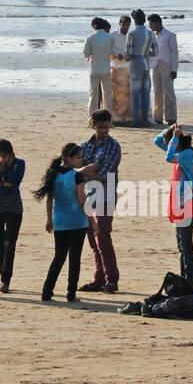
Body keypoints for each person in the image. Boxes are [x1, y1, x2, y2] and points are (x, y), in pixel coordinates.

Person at [33, 143, 97, 302]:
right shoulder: (77, 175)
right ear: (68, 158)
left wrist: (49, 218)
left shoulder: (54, 174)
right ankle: (71, 293)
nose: (80, 161)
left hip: (60, 221)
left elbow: (49, 200)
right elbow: (82, 202)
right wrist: (93, 222)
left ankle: (46, 291)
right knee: (74, 258)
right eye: (78, 158)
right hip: (77, 221)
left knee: (59, 257)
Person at [79, 109, 121, 293]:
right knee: (92, 240)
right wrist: (89, 170)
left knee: (102, 236)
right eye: (101, 127)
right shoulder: (84, 146)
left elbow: (103, 174)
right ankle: (99, 278)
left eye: (107, 127)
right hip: (88, 195)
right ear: (93, 125)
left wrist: (84, 171)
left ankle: (111, 279)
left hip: (106, 195)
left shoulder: (113, 146)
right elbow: (79, 168)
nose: (104, 131)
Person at [154, 123, 193, 286]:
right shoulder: (179, 151)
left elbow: (168, 157)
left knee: (186, 246)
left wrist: (175, 137)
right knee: (181, 246)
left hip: (186, 202)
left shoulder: (187, 153)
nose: (168, 146)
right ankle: (185, 279)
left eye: (172, 142)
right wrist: (169, 130)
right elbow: (157, 141)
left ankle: (190, 282)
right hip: (178, 202)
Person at [0, 139, 25, 293]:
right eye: (0, 154)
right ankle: (3, 275)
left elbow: (15, 182)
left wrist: (5, 169)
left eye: (5, 154)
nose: (2, 157)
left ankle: (5, 280)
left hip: (14, 207)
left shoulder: (19, 163)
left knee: (10, 245)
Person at [125, 8, 157, 128]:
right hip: (146, 62)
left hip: (136, 62)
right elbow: (156, 51)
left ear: (134, 20)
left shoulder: (132, 33)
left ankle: (137, 120)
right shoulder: (150, 33)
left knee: (135, 92)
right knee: (145, 91)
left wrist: (127, 57)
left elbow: (129, 52)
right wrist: (147, 54)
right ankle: (145, 119)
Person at [148, 13, 179, 125]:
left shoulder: (169, 35)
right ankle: (158, 117)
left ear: (157, 23)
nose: (150, 26)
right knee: (157, 91)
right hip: (156, 65)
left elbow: (174, 52)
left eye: (151, 24)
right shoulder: (152, 36)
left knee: (169, 92)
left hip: (167, 66)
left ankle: (171, 117)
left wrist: (174, 69)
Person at [84, 17, 113, 115]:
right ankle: (109, 119)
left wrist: (93, 51)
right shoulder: (110, 37)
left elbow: (86, 53)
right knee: (108, 95)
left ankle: (92, 118)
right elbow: (115, 52)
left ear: (94, 26)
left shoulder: (90, 38)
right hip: (106, 69)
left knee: (93, 96)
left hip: (94, 69)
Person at [110, 14, 133, 124]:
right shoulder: (113, 35)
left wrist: (130, 56)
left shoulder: (131, 35)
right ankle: (116, 117)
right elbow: (109, 51)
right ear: (120, 24)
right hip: (115, 66)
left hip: (127, 67)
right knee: (115, 93)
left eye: (128, 25)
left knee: (127, 94)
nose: (125, 27)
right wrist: (115, 55)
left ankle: (126, 117)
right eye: (124, 25)